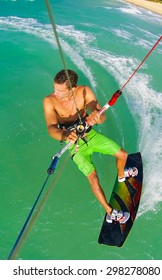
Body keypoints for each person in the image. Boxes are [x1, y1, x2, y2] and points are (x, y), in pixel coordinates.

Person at [43, 69, 137, 224]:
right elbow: (51, 128)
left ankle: (121, 176)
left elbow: (101, 115)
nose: (56, 93)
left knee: (123, 155)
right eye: (55, 89)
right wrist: (65, 135)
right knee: (93, 178)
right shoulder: (49, 101)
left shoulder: (84, 92)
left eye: (60, 91)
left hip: (91, 136)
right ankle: (110, 212)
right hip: (74, 145)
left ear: (72, 89)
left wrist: (96, 116)